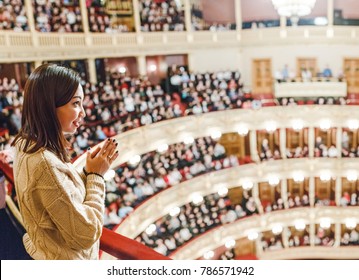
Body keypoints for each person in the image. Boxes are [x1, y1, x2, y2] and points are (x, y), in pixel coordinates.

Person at [11, 64, 119, 260]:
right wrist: (95, 177)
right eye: (75, 103)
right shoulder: (45, 163)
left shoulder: (26, 143)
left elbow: (58, 197)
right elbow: (85, 234)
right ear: (49, 106)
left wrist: (86, 173)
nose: (83, 113)